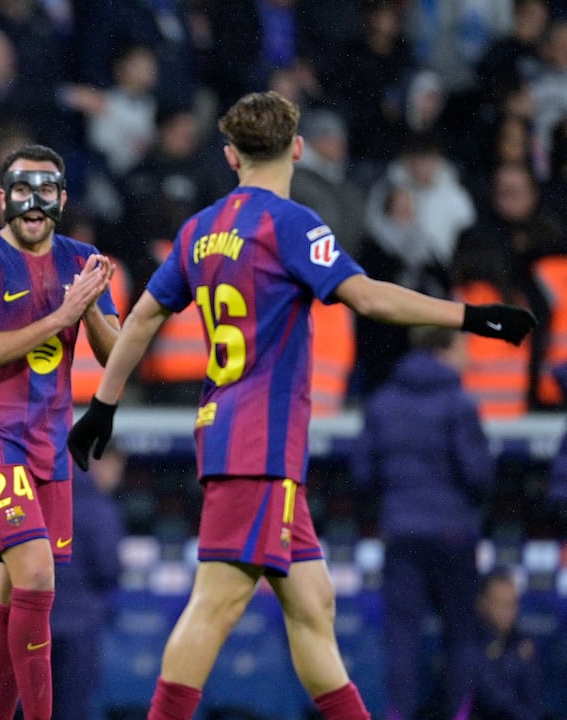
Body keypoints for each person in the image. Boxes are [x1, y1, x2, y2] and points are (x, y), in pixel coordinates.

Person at [67, 91, 535, 720]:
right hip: (261, 443)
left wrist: (104, 403)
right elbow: (367, 298)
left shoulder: (199, 230)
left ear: (231, 155)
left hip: (233, 436)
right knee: (216, 604)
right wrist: (471, 315)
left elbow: (145, 316)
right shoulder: (291, 224)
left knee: (314, 608)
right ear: (298, 148)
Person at [0, 142, 120, 720]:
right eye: (22, 190)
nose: (34, 203)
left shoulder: (84, 261)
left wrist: (90, 306)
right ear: (2, 198)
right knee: (39, 576)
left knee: (13, 592)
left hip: (52, 448)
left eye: (47, 191)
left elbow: (116, 355)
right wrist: (60, 317)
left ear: (63, 199)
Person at [352, 326, 494, 719]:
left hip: (401, 532)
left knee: (402, 637)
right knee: (462, 635)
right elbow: (478, 474)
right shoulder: (459, 402)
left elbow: (362, 474)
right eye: (463, 346)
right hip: (453, 533)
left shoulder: (382, 401)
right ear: (443, 350)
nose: (469, 356)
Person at [50, 448, 125, 720]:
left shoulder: (46, 498)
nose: (117, 477)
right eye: (116, 469)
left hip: (36, 623)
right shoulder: (98, 508)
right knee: (71, 709)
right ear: (98, 463)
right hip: (79, 624)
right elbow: (108, 569)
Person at [471, 568, 545, 720]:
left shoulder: (524, 641)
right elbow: (492, 698)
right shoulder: (469, 642)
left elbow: (533, 695)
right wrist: (517, 658)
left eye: (512, 604)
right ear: (481, 603)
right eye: (501, 603)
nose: (508, 611)